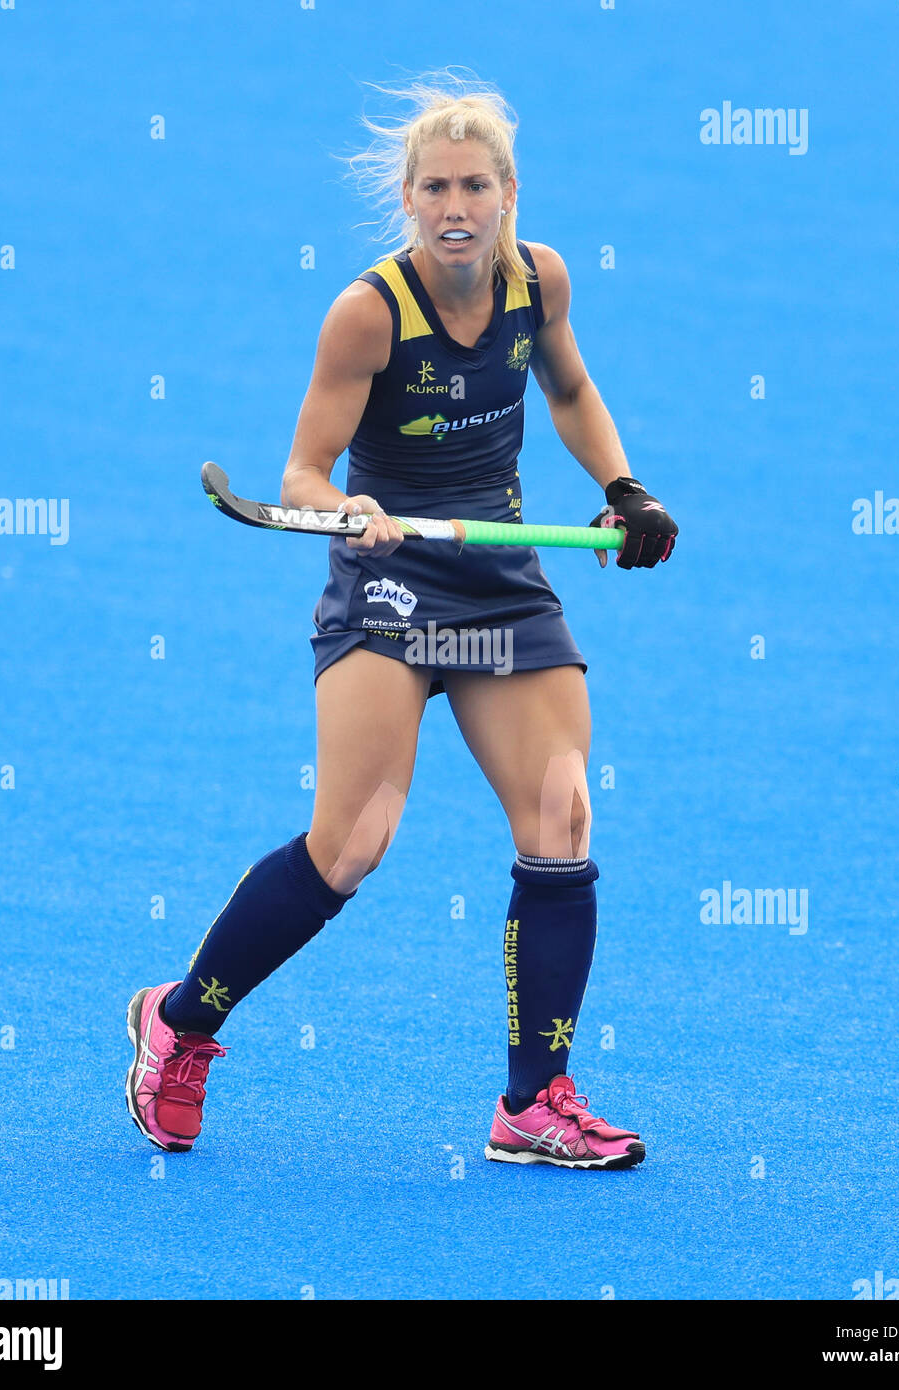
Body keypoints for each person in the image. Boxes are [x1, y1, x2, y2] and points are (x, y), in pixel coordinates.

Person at [126, 76, 677, 1170]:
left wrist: (624, 489)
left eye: (476, 183)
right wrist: (349, 511)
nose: (456, 203)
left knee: (562, 813)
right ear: (409, 200)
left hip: (500, 581)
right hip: (388, 590)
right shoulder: (368, 312)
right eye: (435, 187)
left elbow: (566, 392)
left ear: (509, 192)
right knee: (355, 840)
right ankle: (180, 1021)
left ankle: (533, 1100)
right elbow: (300, 470)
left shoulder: (539, 282)